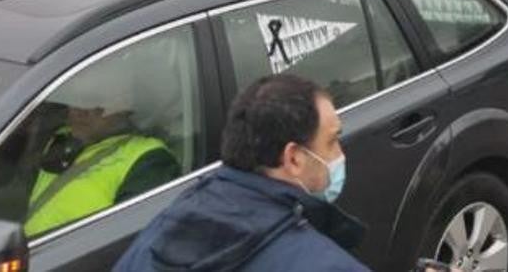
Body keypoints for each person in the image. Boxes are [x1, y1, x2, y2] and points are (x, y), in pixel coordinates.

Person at [113, 74, 369, 272]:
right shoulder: (325, 264)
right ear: (294, 158)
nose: (340, 154)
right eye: (332, 141)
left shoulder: (160, 233)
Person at [26, 66, 180, 239]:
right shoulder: (58, 138)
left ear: (123, 105)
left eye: (94, 103)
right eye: (75, 100)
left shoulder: (149, 159)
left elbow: (129, 238)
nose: (79, 111)